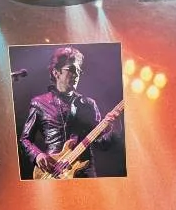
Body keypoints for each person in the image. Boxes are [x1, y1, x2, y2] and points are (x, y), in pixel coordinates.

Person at [19, 46, 117, 179]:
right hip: (52, 171)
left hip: (84, 173)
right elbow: (25, 139)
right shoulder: (39, 103)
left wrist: (113, 127)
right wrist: (37, 155)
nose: (76, 74)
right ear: (56, 72)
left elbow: (102, 144)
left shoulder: (88, 104)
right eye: (72, 69)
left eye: (79, 71)